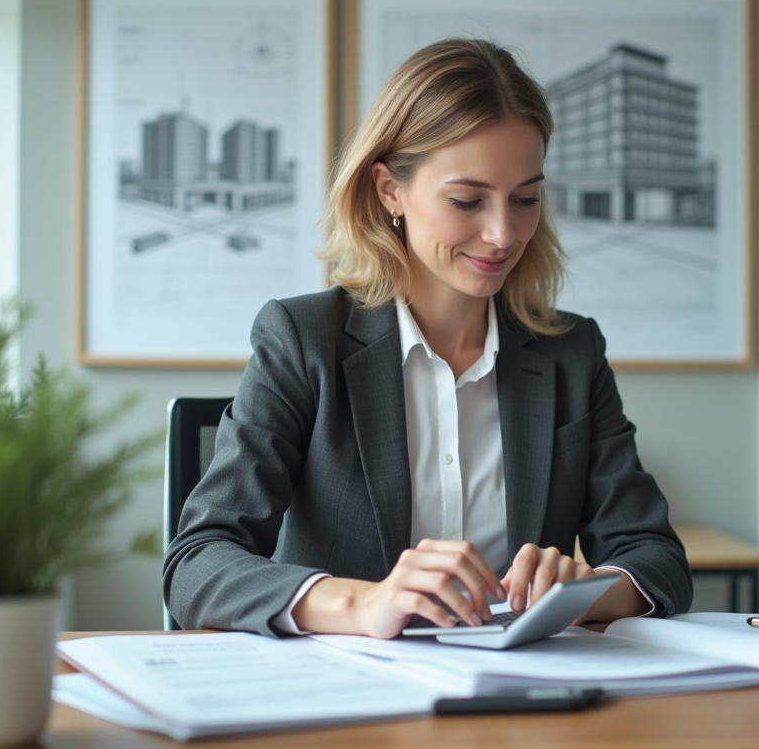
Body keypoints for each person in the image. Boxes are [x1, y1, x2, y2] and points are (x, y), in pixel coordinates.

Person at [163, 38, 692, 639]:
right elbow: (197, 563)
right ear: (390, 190)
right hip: (347, 687)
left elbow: (657, 559)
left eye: (525, 199)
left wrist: (584, 589)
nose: (502, 234)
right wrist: (364, 603)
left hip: (519, 686)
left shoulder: (572, 353)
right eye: (467, 200)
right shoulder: (304, 340)